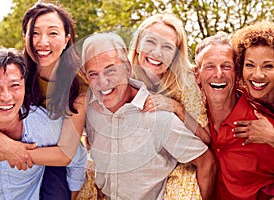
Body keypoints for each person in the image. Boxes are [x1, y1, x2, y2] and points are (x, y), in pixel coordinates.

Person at [0, 3, 88, 199]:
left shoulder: (77, 87)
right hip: (15, 140)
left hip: (50, 156)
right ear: (24, 37)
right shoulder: (12, 72)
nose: (42, 42)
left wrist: (8, 153)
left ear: (66, 39)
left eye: (53, 33)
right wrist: (5, 145)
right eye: (34, 33)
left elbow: (66, 154)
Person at [82, 32, 216, 200]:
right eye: (93, 74)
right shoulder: (91, 112)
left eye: (110, 70)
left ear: (127, 68)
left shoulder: (158, 117)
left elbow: (207, 162)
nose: (102, 82)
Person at [128, 13, 210, 199]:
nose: (157, 53)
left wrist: (177, 108)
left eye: (167, 47)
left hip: (177, 165)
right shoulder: (124, 75)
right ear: (138, 43)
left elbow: (206, 138)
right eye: (151, 42)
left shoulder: (184, 83)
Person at [0, 46, 74, 199]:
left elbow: (76, 158)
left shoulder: (45, 125)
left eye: (14, 86)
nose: (6, 97)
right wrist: (8, 147)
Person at [195, 31, 274, 199]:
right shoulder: (188, 119)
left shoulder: (263, 127)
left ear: (237, 74)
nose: (218, 74)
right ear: (197, 75)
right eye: (209, 66)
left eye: (226, 66)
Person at [231, 21, 274, 148]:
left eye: (268, 66)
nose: (258, 75)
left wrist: (271, 136)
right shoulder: (237, 91)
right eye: (250, 65)